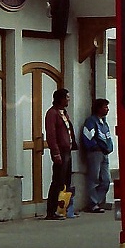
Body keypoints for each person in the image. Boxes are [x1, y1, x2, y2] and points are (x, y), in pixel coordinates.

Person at [45, 88, 75, 219]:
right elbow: (51, 135)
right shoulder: (52, 113)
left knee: (66, 181)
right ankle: (51, 211)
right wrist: (55, 152)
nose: (68, 99)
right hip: (61, 151)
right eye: (67, 97)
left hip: (67, 150)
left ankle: (64, 208)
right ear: (60, 99)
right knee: (58, 181)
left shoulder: (64, 113)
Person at [80, 98, 114, 214]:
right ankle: (93, 204)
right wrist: (95, 147)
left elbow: (108, 137)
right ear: (98, 108)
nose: (107, 109)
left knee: (106, 180)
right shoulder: (91, 121)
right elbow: (87, 137)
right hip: (95, 153)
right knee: (94, 178)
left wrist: (109, 148)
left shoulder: (104, 123)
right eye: (105, 107)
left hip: (105, 153)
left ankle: (98, 201)